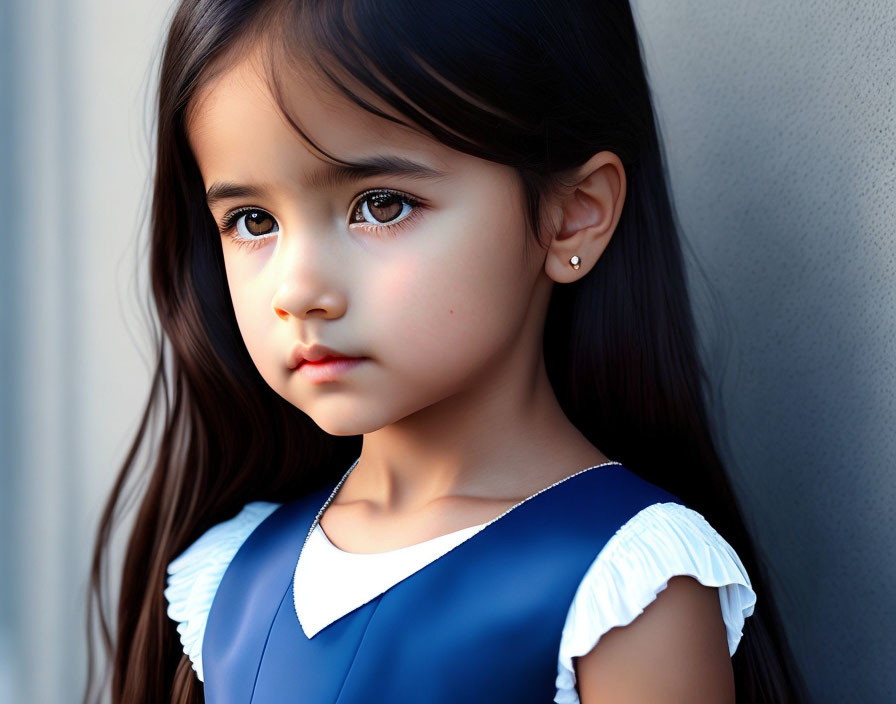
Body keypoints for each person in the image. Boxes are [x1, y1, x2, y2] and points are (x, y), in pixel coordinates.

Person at [84, 0, 811, 702]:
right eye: (252, 220)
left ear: (573, 217)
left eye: (382, 204)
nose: (297, 289)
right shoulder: (233, 578)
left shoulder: (623, 586)